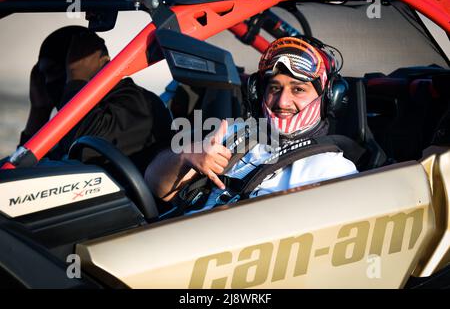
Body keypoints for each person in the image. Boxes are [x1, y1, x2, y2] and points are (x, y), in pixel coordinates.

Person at [145, 36, 358, 213]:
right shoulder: (236, 135)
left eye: (298, 89)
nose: (282, 102)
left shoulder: (332, 171)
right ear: (258, 93)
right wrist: (186, 157)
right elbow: (157, 186)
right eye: (274, 88)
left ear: (330, 98)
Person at [19, 26, 173, 172]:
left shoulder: (137, 104)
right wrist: (39, 111)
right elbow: (23, 173)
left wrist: (76, 80)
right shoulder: (84, 114)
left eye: (54, 71)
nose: (47, 82)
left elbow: (84, 149)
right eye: (43, 75)